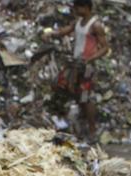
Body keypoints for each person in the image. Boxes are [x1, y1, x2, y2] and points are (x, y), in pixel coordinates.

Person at [44, 0, 109, 142]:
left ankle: (92, 131)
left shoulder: (95, 25)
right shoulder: (78, 22)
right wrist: (51, 34)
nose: (75, 9)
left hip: (87, 66)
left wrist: (90, 59)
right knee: (74, 93)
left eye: (78, 7)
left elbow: (105, 48)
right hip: (76, 63)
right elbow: (65, 31)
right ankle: (82, 127)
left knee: (86, 98)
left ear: (86, 7)